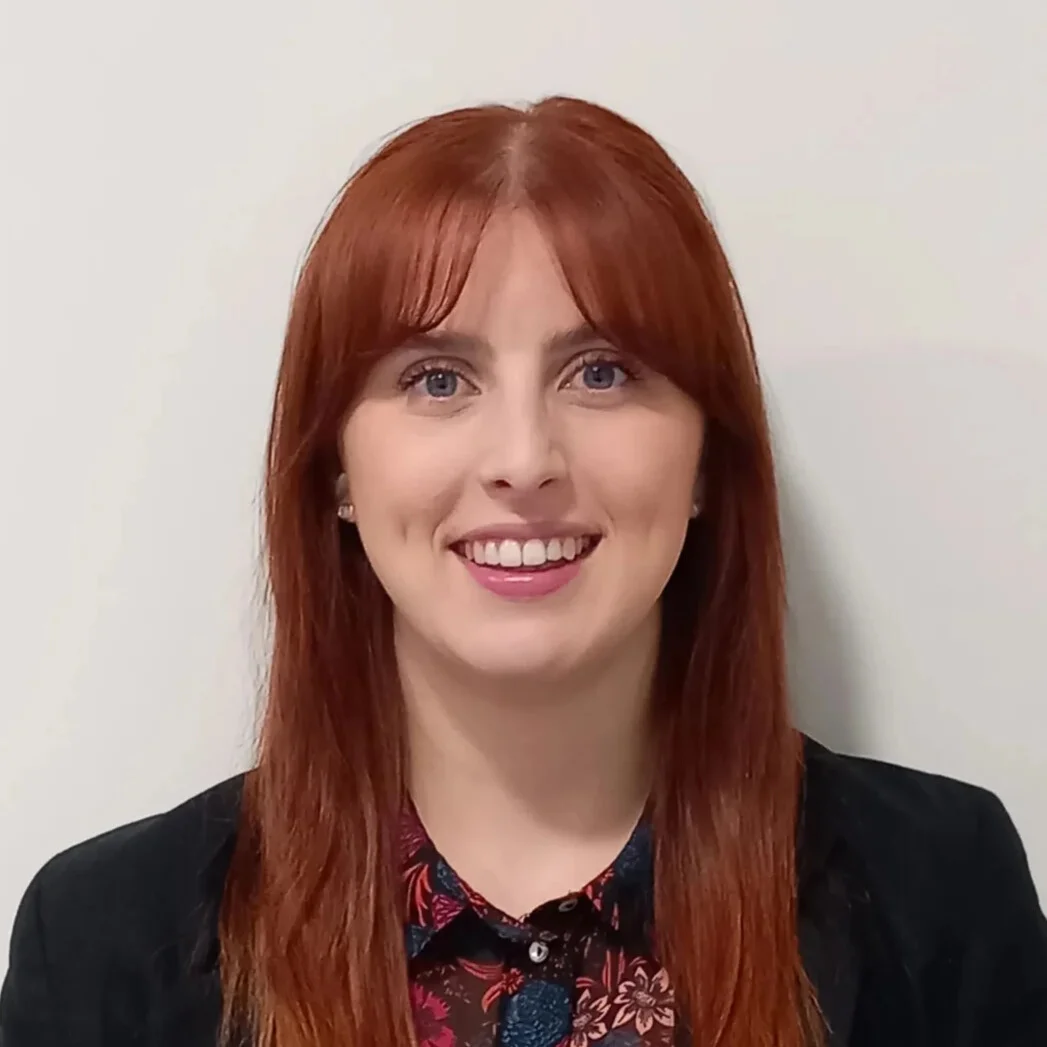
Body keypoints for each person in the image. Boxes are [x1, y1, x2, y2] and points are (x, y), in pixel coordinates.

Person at [2, 96, 1045, 1047]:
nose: (523, 460)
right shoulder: (102, 946)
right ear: (337, 473)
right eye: (437, 378)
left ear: (703, 462)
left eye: (601, 373)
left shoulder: (941, 894)